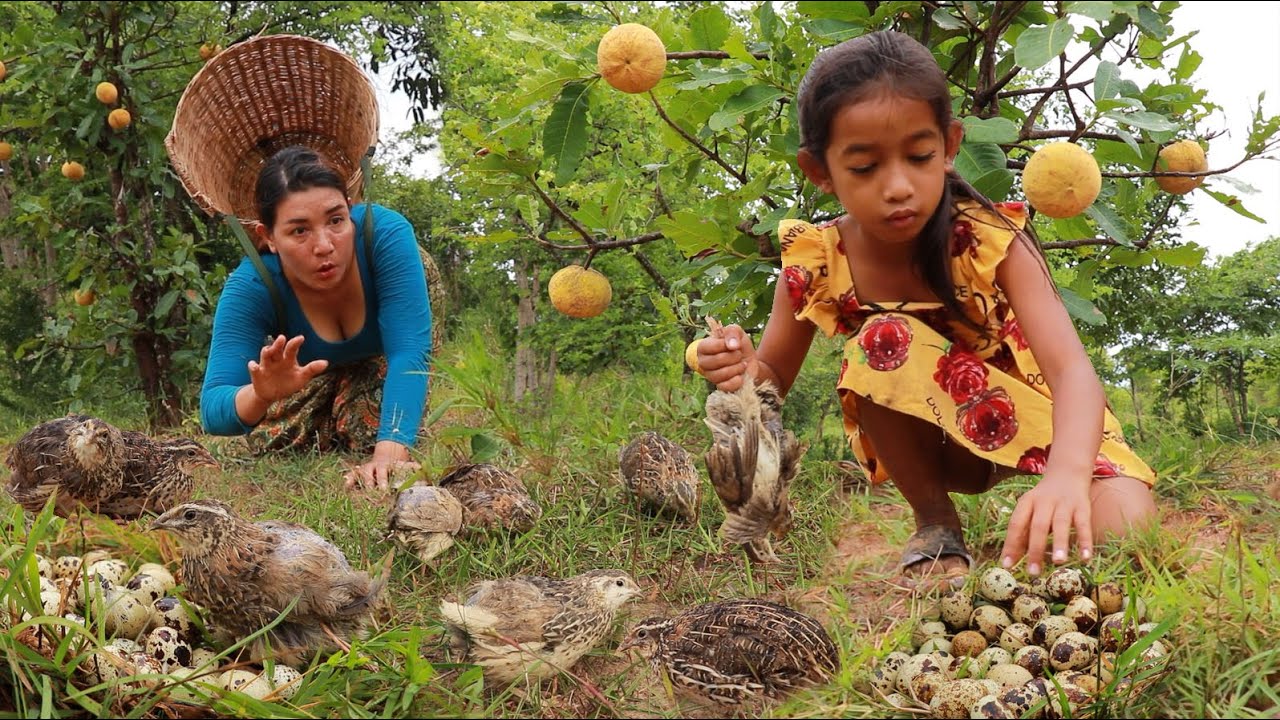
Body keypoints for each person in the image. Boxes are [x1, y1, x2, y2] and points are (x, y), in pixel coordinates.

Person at [695, 31, 1157, 584]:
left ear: (950, 145)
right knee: (880, 338)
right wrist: (737, 367)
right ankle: (936, 523)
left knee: (1126, 527)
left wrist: (1067, 474)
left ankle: (1054, 497)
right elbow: (770, 379)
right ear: (820, 171)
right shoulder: (818, 260)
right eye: (864, 167)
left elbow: (1072, 372)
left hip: (1048, 421)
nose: (898, 187)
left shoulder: (992, 238)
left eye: (919, 157)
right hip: (945, 450)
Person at [200, 145, 433, 493]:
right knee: (275, 441)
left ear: (350, 210)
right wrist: (260, 394)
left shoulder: (385, 237)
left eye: (336, 220)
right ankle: (332, 402)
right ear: (269, 238)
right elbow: (213, 408)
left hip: (390, 353)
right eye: (299, 231)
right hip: (315, 374)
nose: (324, 245)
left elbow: (409, 350)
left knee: (371, 428)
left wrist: (389, 453)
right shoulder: (253, 286)